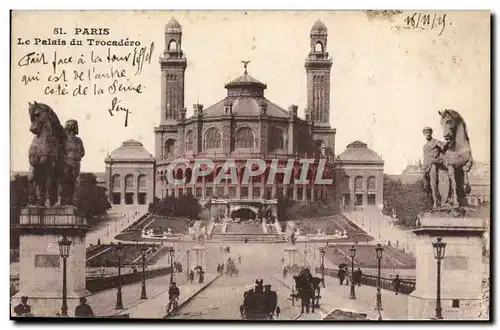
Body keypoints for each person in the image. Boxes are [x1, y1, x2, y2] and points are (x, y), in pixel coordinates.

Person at [422, 126, 449, 208]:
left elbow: (443, 146)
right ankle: (432, 201)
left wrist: (447, 142)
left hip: (434, 164)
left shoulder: (435, 142)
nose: (428, 134)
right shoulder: (425, 146)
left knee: (433, 183)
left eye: (429, 132)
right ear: (424, 134)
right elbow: (425, 157)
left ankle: (435, 203)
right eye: (426, 132)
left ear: (431, 133)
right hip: (425, 166)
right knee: (426, 186)